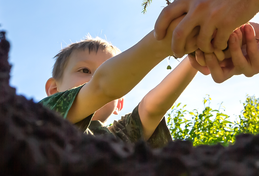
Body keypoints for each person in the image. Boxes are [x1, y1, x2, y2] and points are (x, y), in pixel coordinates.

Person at [39, 21, 200, 148]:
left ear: (119, 103)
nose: (94, 78)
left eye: (108, 70)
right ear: (54, 90)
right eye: (85, 70)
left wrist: (197, 57)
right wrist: (170, 39)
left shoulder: (121, 138)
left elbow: (151, 109)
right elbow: (102, 87)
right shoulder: (45, 117)